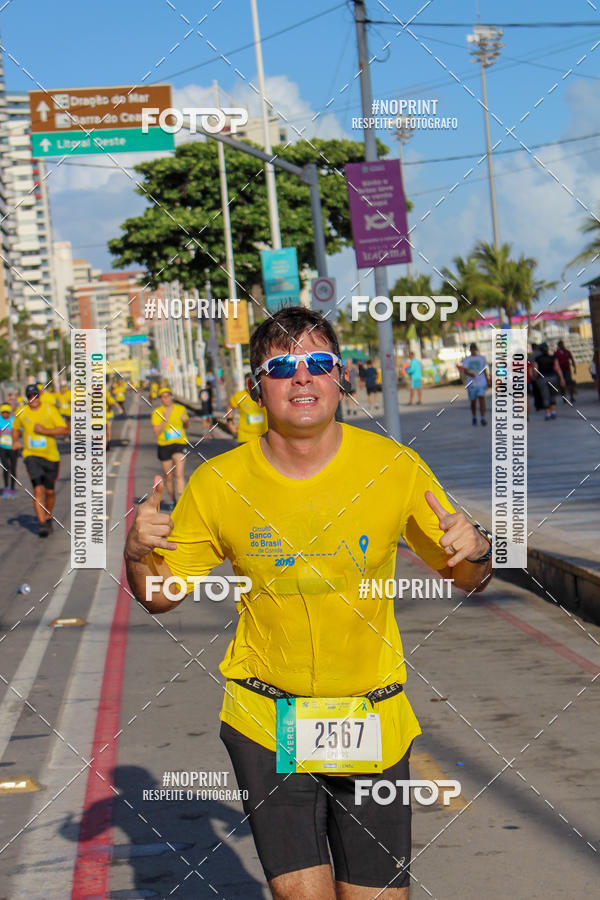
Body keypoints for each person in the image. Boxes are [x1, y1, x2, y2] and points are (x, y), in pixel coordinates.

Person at [124, 306, 493, 899]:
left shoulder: (393, 468)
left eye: (318, 363)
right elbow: (160, 597)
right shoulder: (218, 483)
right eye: (282, 366)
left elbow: (470, 577)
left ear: (340, 377)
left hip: (369, 718)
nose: (302, 378)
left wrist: (477, 548)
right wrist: (138, 555)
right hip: (268, 718)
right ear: (255, 385)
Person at [12, 384, 68, 536]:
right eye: (30, 396)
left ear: (39, 396)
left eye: (35, 395)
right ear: (27, 398)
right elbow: (15, 428)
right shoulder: (21, 412)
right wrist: (15, 441)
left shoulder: (50, 410)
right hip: (31, 456)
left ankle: (48, 517)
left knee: (49, 492)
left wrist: (45, 430)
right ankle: (42, 523)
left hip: (51, 456)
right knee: (38, 489)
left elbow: (64, 429)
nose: (33, 399)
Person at [151, 387, 190, 509]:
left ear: (171, 396)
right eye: (163, 396)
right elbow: (156, 432)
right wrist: (165, 419)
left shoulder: (180, 409)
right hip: (164, 445)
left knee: (179, 474)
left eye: (168, 395)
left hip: (179, 443)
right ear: (161, 399)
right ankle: (173, 499)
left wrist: (185, 421)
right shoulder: (157, 412)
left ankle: (182, 502)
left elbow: (187, 425)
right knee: (168, 476)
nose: (166, 398)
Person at [226, 377, 268, 442]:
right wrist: (230, 423)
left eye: (253, 383)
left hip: (264, 437)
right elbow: (230, 406)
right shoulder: (240, 396)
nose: (250, 386)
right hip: (245, 438)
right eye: (248, 384)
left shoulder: (264, 395)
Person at [460, 343, 490, 425]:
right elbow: (465, 370)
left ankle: (483, 418)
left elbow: (485, 370)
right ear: (470, 350)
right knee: (473, 401)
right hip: (471, 383)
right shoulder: (467, 359)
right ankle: (474, 416)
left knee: (481, 399)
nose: (473, 350)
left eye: (474, 349)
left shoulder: (482, 358)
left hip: (481, 382)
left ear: (476, 349)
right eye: (472, 349)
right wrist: (470, 374)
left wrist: (487, 380)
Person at [534, 342, 565, 420]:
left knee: (545, 395)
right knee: (552, 394)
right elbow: (558, 368)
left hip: (542, 378)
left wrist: (535, 378)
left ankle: (548, 413)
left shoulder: (538, 359)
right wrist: (561, 379)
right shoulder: (553, 357)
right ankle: (553, 411)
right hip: (553, 377)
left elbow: (535, 370)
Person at [0, 403, 18, 497]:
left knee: (13, 469)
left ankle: (12, 489)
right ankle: (6, 488)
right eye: (3, 412)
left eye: (7, 412)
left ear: (10, 412)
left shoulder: (14, 420)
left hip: (13, 448)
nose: (5, 414)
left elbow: (20, 431)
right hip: (2, 447)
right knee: (5, 467)